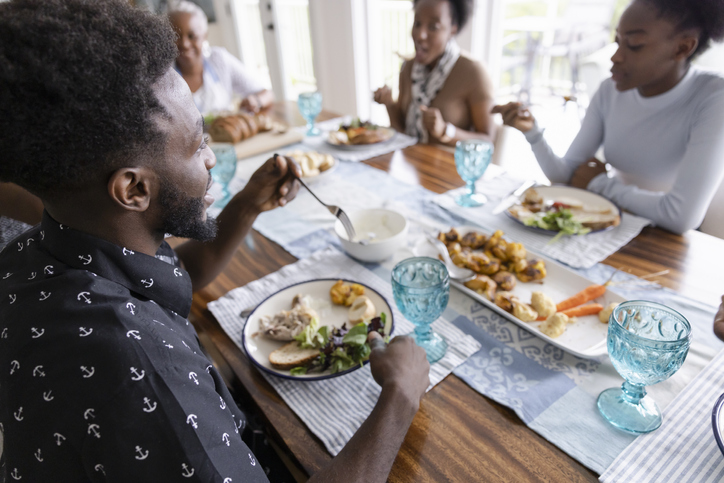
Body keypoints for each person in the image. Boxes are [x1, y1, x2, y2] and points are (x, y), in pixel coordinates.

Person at [0, 1, 430, 481]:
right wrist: (401, 395)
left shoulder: (39, 253)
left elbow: (175, 278)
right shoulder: (144, 371)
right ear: (134, 189)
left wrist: (246, 204)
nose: (210, 160)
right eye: (199, 143)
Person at [492, 0, 724, 235]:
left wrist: (601, 184)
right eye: (618, 42)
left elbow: (681, 217)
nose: (616, 57)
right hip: (614, 223)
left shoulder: (714, 98)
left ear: (682, 48)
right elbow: (566, 175)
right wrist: (533, 132)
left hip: (669, 241)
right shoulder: (609, 91)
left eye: (634, 45)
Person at [373, 0, 495, 145]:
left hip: (449, 166)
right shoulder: (408, 68)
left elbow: (488, 140)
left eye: (433, 27)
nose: (420, 35)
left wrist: (446, 131)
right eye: (417, 23)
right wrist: (389, 105)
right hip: (410, 163)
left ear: (453, 29)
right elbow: (402, 134)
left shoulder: (474, 72)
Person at [169, 0, 274, 114]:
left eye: (192, 36)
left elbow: (268, 94)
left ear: (204, 35)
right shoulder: (164, 75)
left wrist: (255, 101)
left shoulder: (219, 60)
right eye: (176, 36)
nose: (184, 44)